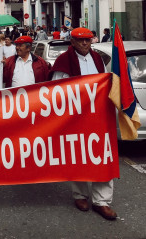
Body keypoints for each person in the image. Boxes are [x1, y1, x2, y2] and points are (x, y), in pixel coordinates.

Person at [49, 28, 116, 220]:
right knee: (77, 155)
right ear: (72, 42)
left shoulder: (98, 60)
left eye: (87, 40)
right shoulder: (63, 60)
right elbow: (57, 90)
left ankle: (102, 201)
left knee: (102, 155)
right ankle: (80, 195)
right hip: (74, 118)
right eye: (80, 41)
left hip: (98, 117)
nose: (84, 44)